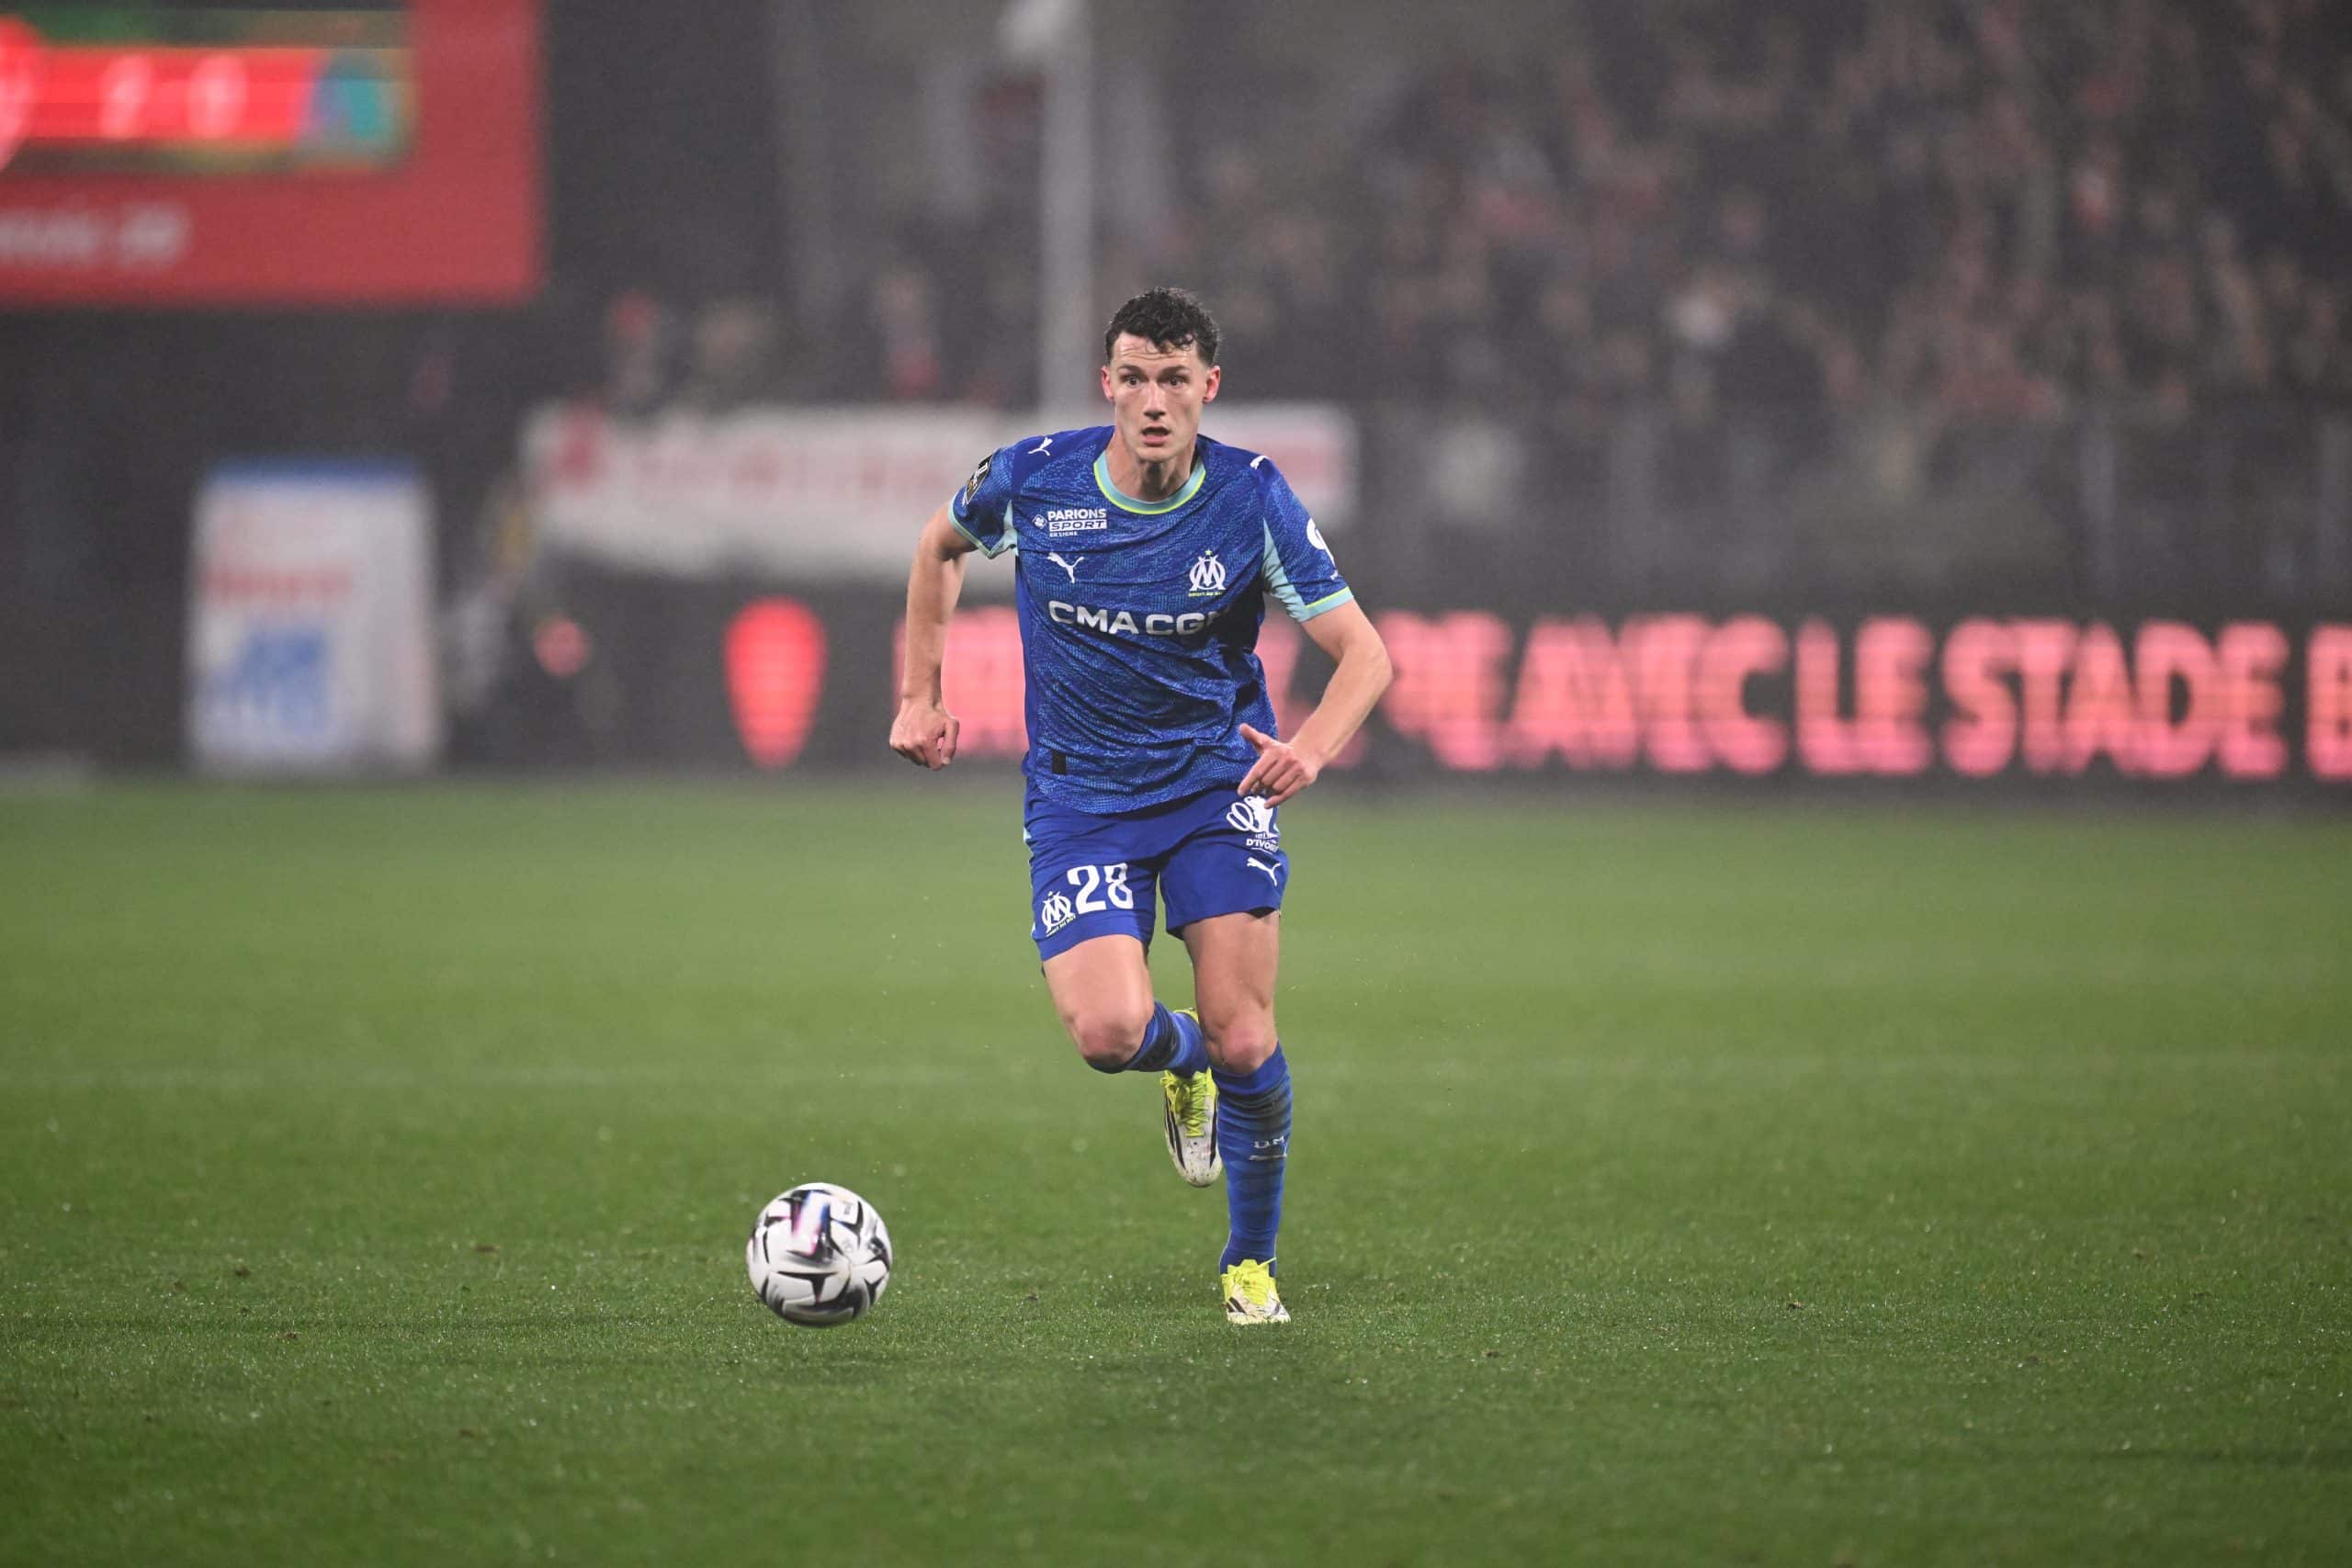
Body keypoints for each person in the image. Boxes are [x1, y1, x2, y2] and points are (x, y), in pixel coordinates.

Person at [890, 287, 1393, 1325]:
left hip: (1216, 785)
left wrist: (1307, 749)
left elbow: (1365, 656)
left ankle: (1248, 1262)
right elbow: (939, 545)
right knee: (1110, 1031)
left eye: (1175, 379)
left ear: (1209, 387)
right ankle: (1182, 1066)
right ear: (1106, 384)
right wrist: (918, 695)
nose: (1154, 400)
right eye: (1135, 377)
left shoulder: (1251, 498)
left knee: (1247, 1036)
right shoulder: (1035, 478)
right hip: (1081, 800)